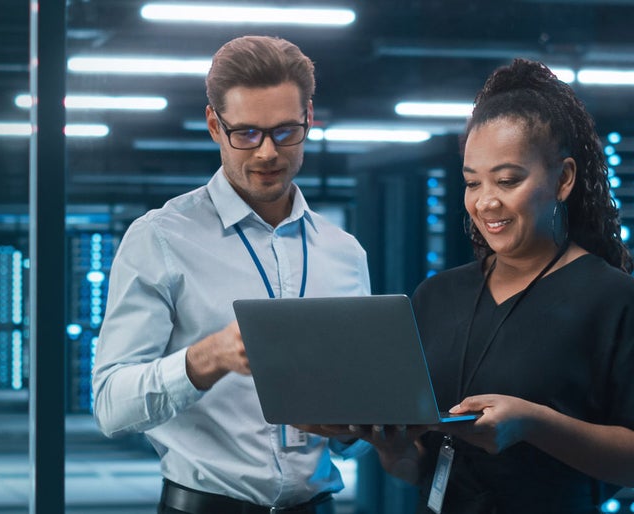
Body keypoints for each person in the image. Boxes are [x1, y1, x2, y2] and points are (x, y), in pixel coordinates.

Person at [91, 35, 371, 514]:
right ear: (214, 126)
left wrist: (356, 429)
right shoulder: (159, 238)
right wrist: (205, 359)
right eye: (246, 133)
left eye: (285, 131)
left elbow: (358, 429)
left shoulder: (344, 253)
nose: (266, 153)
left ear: (308, 118)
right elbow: (110, 406)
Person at [359, 58, 634, 513]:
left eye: (508, 180)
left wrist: (533, 424)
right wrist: (396, 450)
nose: (486, 201)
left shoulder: (612, 299)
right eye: (472, 182)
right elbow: (417, 467)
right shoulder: (435, 297)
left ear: (563, 179)